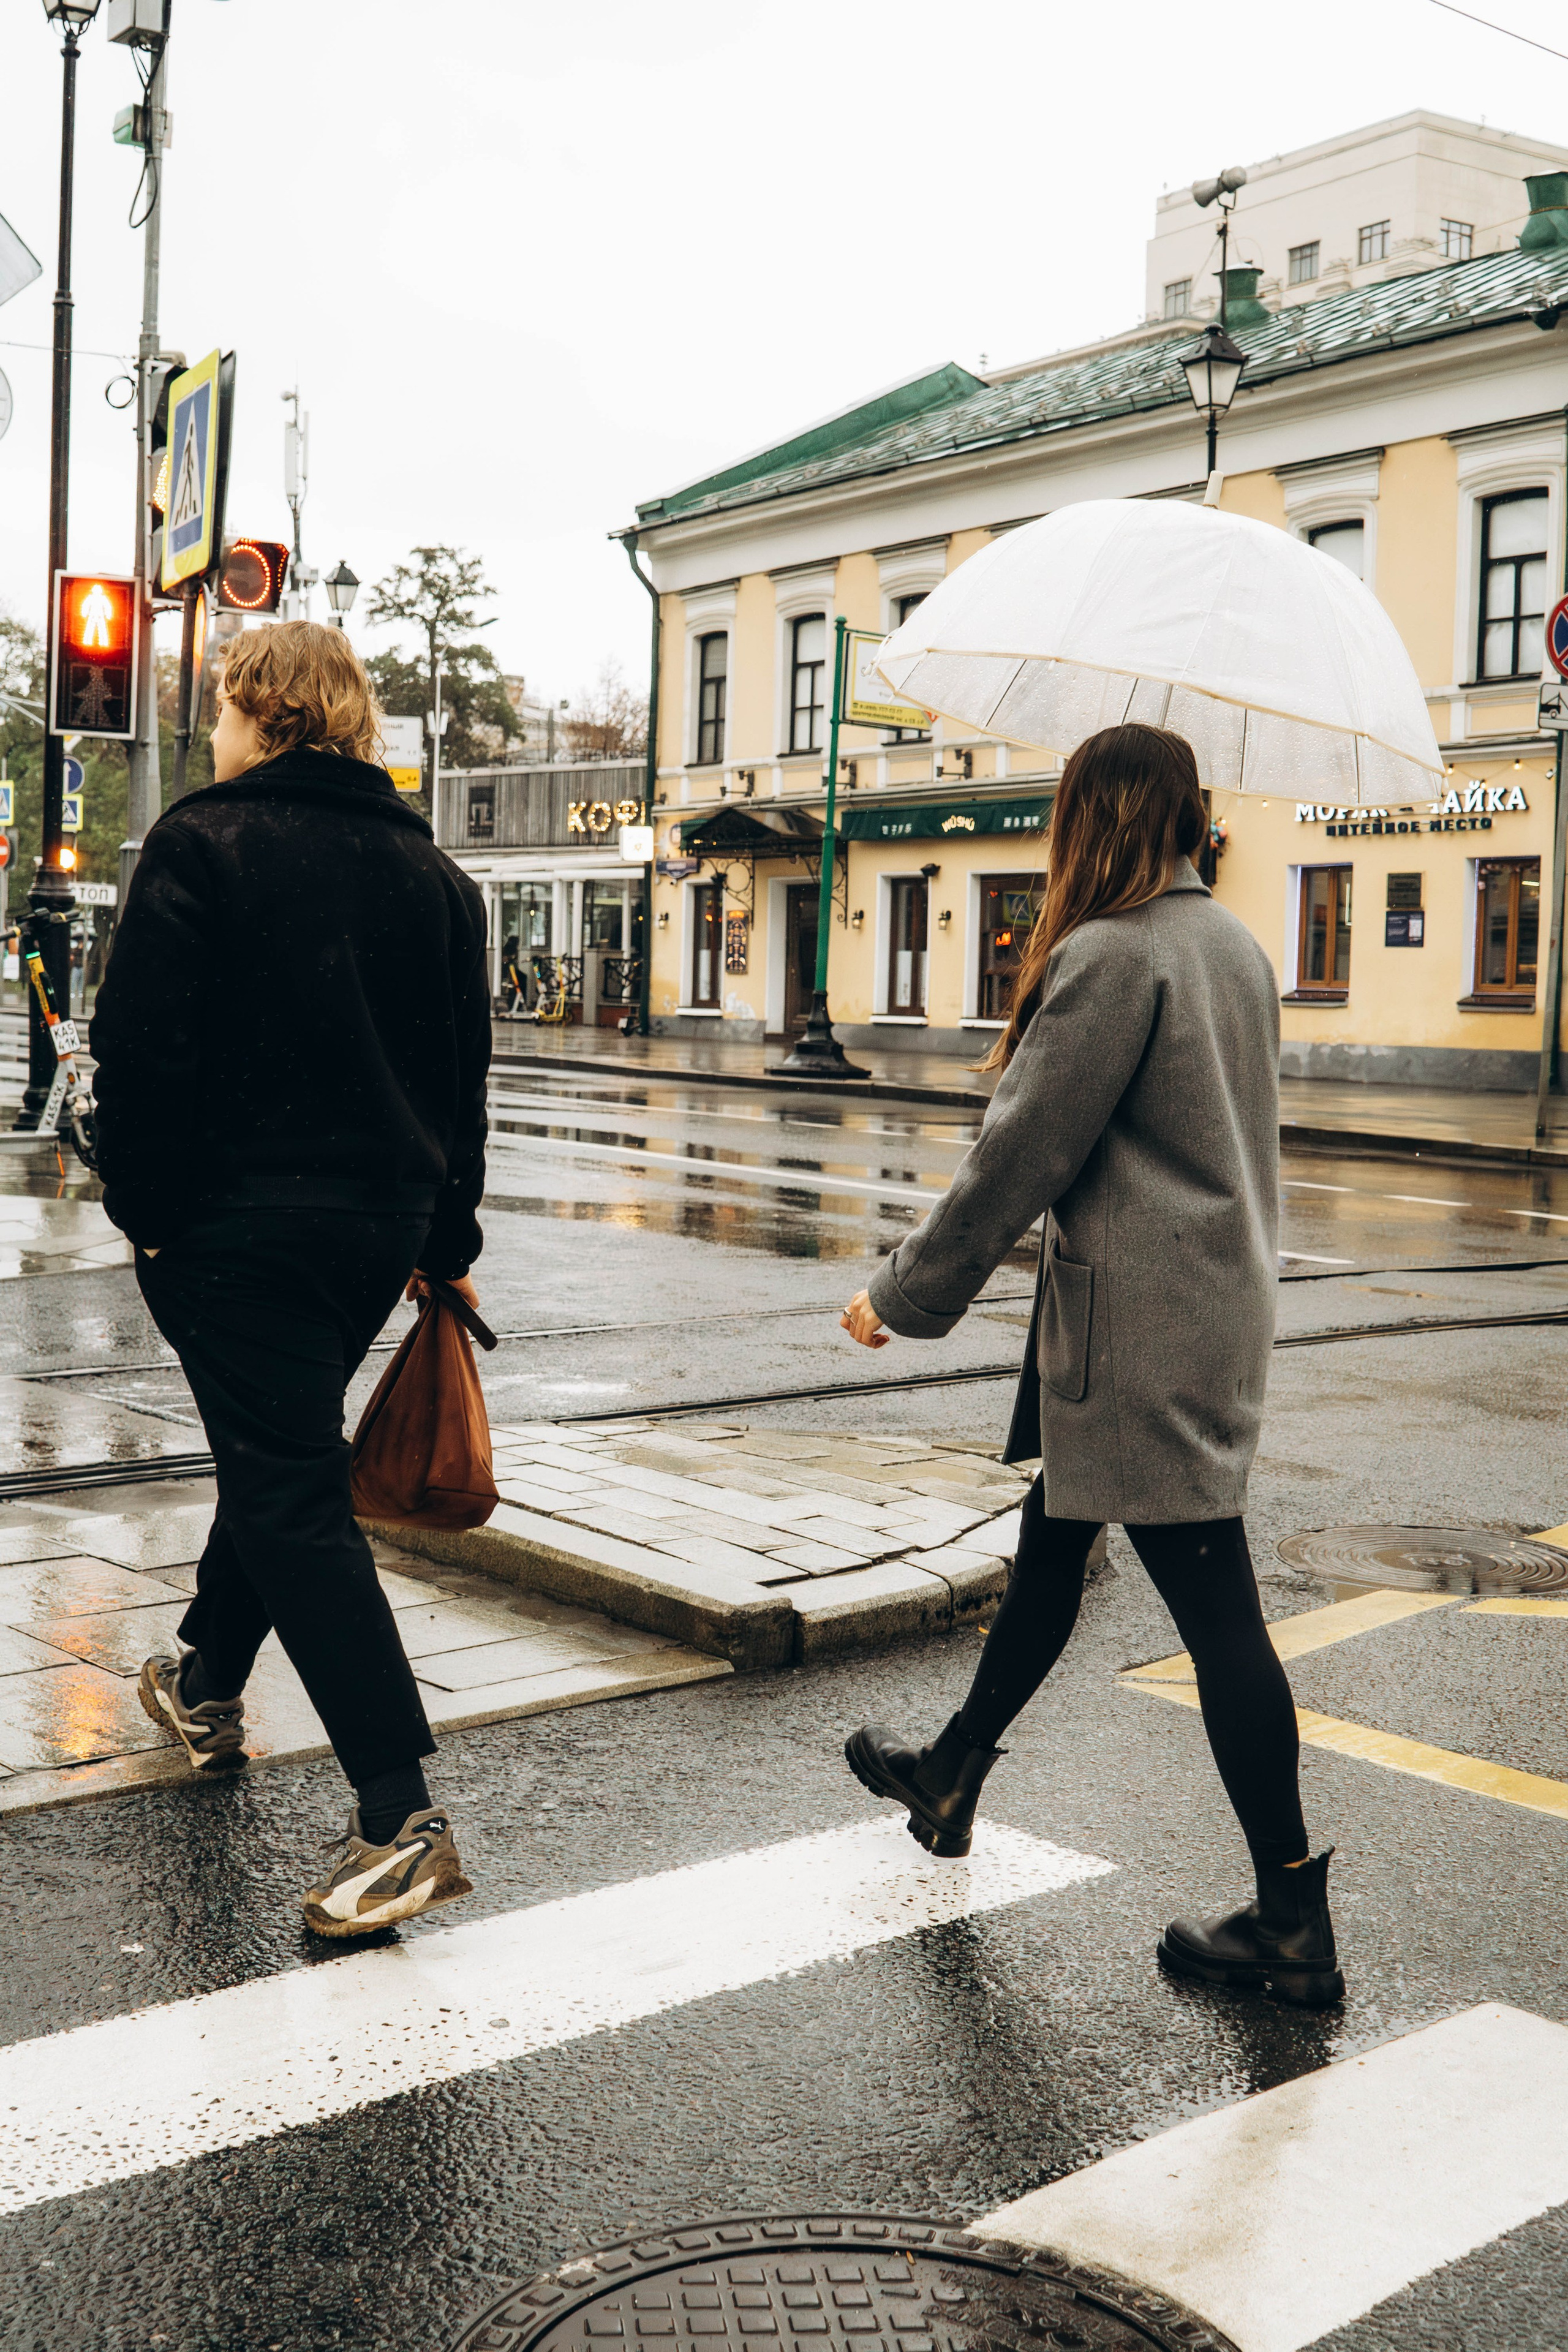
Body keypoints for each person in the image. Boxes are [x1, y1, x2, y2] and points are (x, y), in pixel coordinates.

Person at [839, 723, 1341, 2010]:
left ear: (1089, 819)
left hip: (1138, 1327)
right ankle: (949, 1772)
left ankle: (1289, 1918)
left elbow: (1022, 1155)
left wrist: (904, 1293)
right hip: (1191, 1307)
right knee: (1053, 1543)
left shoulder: (1113, 956)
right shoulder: (1228, 942)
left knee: (1215, 1606)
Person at [91, 622, 490, 1939]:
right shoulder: (435, 877)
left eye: (221, 710)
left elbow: (141, 1054)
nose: (212, 732)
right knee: (284, 1458)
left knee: (288, 1489)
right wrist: (445, 1240)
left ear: (261, 712)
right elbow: (461, 1082)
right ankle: (204, 1680)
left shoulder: (203, 843)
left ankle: (399, 1815)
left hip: (235, 1227)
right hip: (375, 1231)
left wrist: (146, 1218)